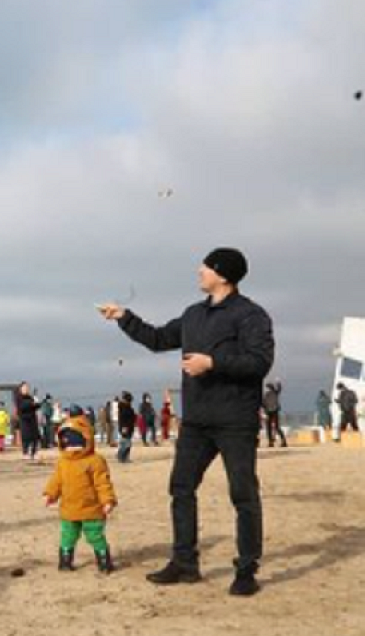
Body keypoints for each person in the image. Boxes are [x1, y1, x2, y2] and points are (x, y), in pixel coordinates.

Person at [99, 247, 274, 596]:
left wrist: (213, 363)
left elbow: (259, 362)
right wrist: (123, 317)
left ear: (223, 275)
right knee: (180, 488)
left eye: (206, 266)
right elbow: (159, 338)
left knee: (243, 495)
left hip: (235, 420)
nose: (199, 270)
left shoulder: (251, 315)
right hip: (195, 421)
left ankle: (246, 570)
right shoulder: (193, 315)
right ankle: (184, 563)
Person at [44, 407, 117, 574]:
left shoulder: (95, 461)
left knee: (95, 535)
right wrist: (50, 494)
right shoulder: (63, 462)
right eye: (66, 443)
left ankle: (104, 562)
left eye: (74, 443)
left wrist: (107, 501)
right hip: (69, 508)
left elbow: (102, 483)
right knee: (67, 536)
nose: (70, 448)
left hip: (91, 508)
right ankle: (65, 561)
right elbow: (56, 480)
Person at [16, 383, 41, 461]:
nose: (26, 389)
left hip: (32, 419)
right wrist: (31, 403)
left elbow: (34, 407)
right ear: (21, 389)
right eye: (24, 387)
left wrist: (38, 403)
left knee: (35, 437)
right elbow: (22, 406)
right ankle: (25, 453)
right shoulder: (18, 397)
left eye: (27, 387)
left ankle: (34, 453)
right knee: (26, 437)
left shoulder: (30, 397)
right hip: (24, 419)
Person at [262, 381, 287, 448]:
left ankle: (271, 442)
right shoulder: (274, 393)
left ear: (268, 388)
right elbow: (279, 389)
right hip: (274, 412)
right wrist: (278, 382)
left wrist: (264, 412)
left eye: (267, 388)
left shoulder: (267, 394)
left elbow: (263, 404)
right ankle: (282, 441)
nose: (266, 389)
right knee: (276, 427)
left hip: (269, 412)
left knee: (270, 428)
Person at [116, 392, 136, 463]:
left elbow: (131, 417)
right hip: (125, 428)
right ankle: (121, 456)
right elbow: (123, 419)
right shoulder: (123, 407)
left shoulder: (127, 407)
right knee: (126, 443)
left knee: (127, 443)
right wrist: (124, 428)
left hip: (129, 428)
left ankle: (125, 458)